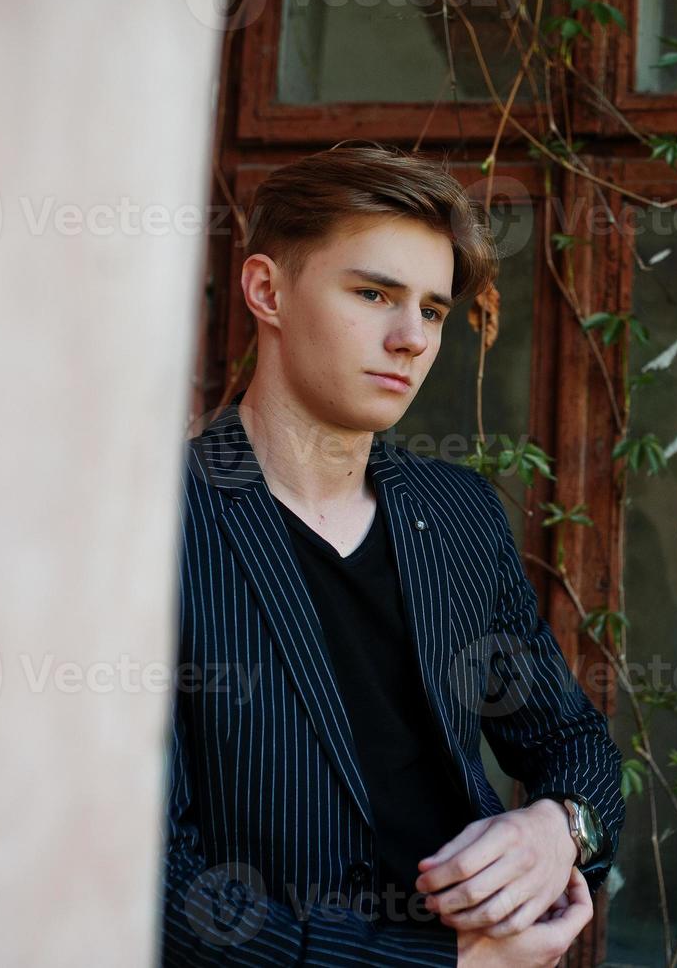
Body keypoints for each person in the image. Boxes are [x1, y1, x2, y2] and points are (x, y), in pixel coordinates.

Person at [160, 143, 624, 967]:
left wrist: (559, 826)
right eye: (373, 293)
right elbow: (159, 885)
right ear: (266, 290)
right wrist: (445, 967)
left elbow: (571, 741)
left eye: (434, 311)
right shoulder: (157, 522)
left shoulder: (457, 512)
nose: (411, 338)